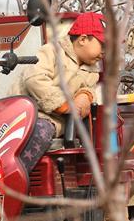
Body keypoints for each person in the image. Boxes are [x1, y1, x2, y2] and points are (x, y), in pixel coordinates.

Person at [9, 12, 104, 168]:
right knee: (42, 132)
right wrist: (65, 105)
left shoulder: (91, 70)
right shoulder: (52, 51)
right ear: (83, 39)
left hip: (57, 123)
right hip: (28, 115)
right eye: (103, 45)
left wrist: (86, 95)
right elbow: (35, 79)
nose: (104, 51)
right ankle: (13, 174)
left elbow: (89, 89)